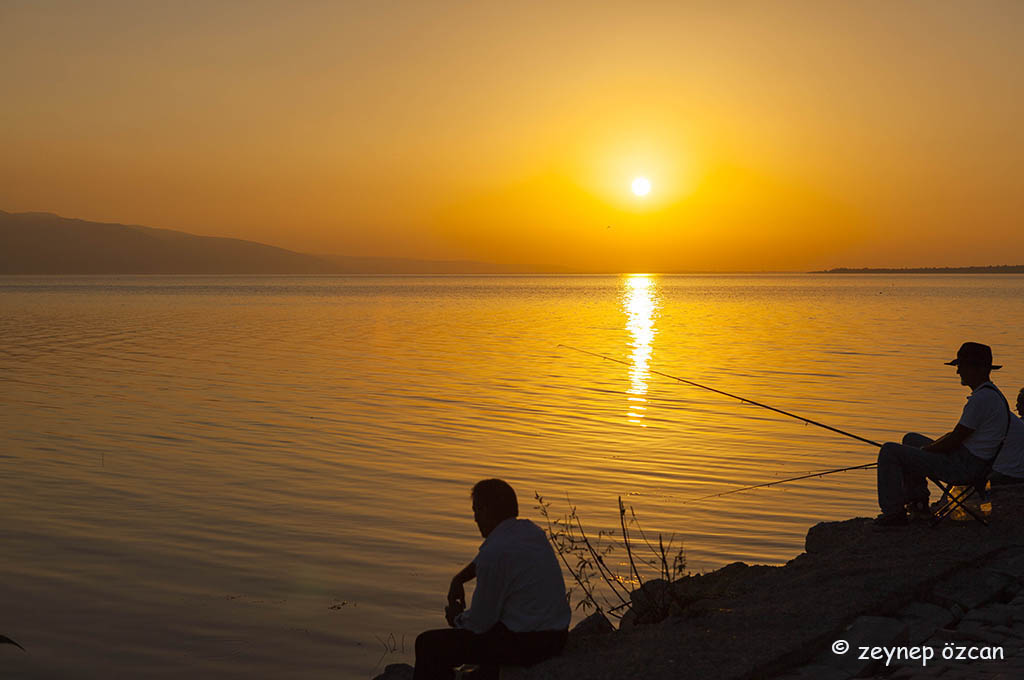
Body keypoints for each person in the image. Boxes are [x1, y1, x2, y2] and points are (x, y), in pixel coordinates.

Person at [414, 479, 571, 680]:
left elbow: (480, 624)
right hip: (557, 635)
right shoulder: (530, 531)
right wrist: (460, 579)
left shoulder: (495, 553)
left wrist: (456, 618)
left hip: (529, 644)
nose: (475, 519)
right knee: (501, 620)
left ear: (486, 510)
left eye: (476, 511)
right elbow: (485, 559)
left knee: (428, 644)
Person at [874, 342, 1011, 526]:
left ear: (975, 368)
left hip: (965, 468)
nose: (958, 372)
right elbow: (958, 435)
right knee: (910, 439)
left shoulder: (981, 399)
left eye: (960, 367)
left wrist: (925, 451)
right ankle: (919, 505)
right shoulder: (992, 395)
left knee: (889, 451)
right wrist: (924, 450)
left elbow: (954, 440)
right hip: (973, 462)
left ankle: (893, 514)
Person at [990, 386, 1024, 485]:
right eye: (1018, 402)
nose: (1017, 406)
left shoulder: (1015, 425)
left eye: (1021, 403)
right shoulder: (1016, 423)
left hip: (1009, 473)